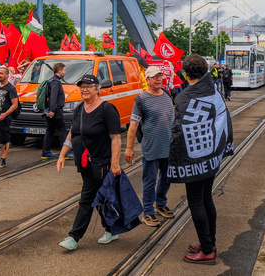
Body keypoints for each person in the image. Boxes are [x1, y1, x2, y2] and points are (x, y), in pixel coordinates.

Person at [170, 54, 230, 264]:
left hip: (194, 158)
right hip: (211, 156)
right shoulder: (213, 91)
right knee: (206, 198)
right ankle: (209, 242)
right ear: (205, 71)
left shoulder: (185, 98)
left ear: (186, 74)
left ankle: (206, 250)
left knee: (196, 201)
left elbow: (178, 131)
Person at [56, 74, 126, 250]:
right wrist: (62, 154)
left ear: (97, 89)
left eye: (88, 86)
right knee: (100, 198)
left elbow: (116, 138)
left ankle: (74, 237)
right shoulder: (80, 108)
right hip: (85, 163)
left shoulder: (106, 109)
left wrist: (115, 164)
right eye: (82, 86)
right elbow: (73, 132)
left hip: (101, 163)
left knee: (86, 199)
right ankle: (111, 229)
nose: (84, 89)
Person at [126, 66, 178, 228]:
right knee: (149, 181)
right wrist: (129, 148)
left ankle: (160, 204)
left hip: (168, 146)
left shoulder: (168, 95)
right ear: (147, 80)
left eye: (160, 76)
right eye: (154, 77)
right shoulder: (141, 100)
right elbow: (133, 125)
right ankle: (148, 212)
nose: (158, 79)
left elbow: (172, 119)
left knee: (167, 178)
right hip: (152, 147)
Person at [39, 62, 69, 160]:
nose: (65, 72)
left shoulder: (50, 80)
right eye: (64, 70)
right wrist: (52, 110)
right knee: (62, 130)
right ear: (60, 71)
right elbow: (53, 97)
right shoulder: (56, 82)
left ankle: (45, 152)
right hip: (55, 110)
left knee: (50, 131)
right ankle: (66, 152)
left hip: (50, 110)